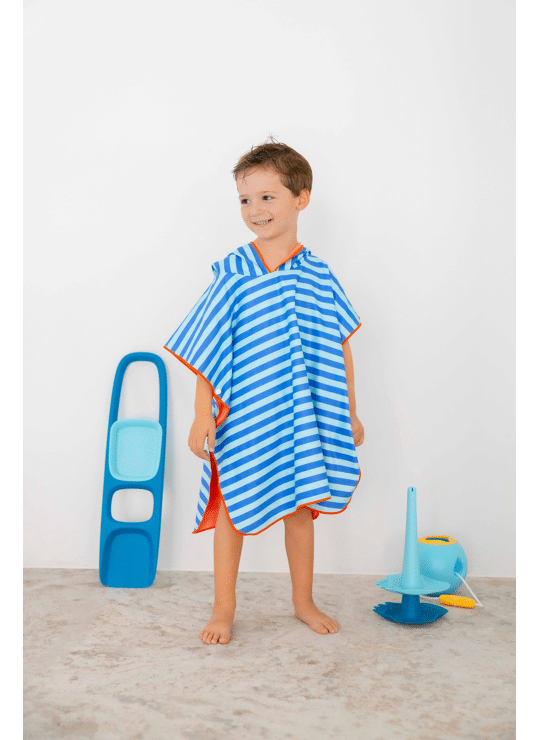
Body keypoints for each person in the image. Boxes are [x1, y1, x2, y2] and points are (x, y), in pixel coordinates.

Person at [164, 137, 364, 645]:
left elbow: (338, 345)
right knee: (233, 508)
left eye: (267, 197)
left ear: (301, 198)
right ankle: (223, 608)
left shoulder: (318, 275)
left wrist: (350, 412)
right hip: (245, 415)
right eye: (245, 200)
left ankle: (303, 601)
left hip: (300, 414)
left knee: (300, 507)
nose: (255, 209)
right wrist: (201, 414)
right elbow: (208, 346)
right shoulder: (234, 273)